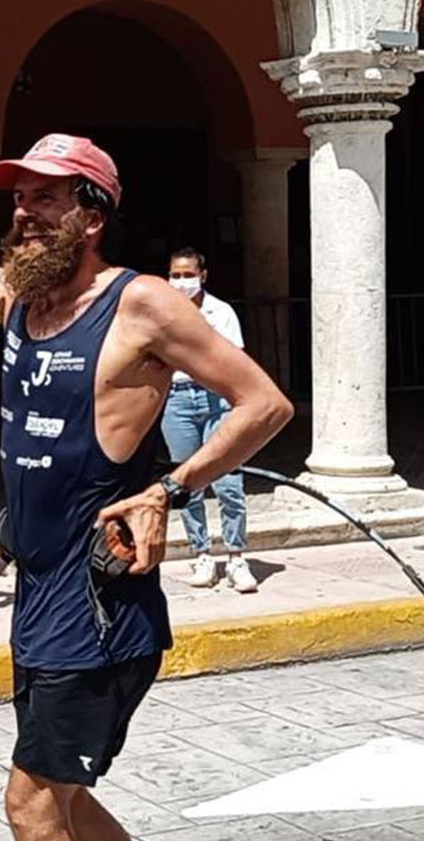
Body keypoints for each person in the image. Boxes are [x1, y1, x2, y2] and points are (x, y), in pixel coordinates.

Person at [0, 44, 292, 841]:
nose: (23, 212)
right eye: (18, 198)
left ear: (91, 218)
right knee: (65, 800)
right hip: (40, 597)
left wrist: (170, 490)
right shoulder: (15, 297)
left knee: (30, 806)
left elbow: (264, 404)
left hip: (99, 608)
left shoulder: (142, 304)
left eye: (46, 198)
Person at [161, 247, 257, 592]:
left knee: (229, 482)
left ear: (202, 275)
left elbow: (234, 359)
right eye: (175, 275)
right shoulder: (161, 313)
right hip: (177, 398)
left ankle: (236, 556)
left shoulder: (221, 312)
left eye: (188, 275)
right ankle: (201, 553)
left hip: (216, 398)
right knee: (186, 481)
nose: (181, 281)